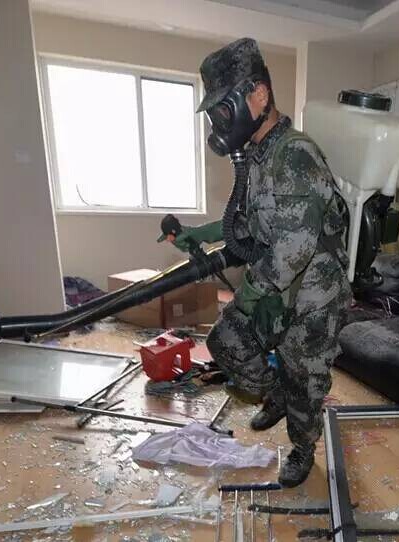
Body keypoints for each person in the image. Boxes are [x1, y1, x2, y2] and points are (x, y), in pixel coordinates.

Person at [159, 38, 351, 487]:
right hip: (275, 287)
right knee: (226, 341)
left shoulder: (295, 155)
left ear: (259, 95)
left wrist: (247, 297)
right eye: (214, 113)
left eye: (224, 109)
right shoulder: (259, 155)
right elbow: (244, 222)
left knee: (304, 376)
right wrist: (201, 234)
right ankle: (276, 393)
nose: (219, 122)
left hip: (312, 296)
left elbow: (293, 250)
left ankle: (302, 447)